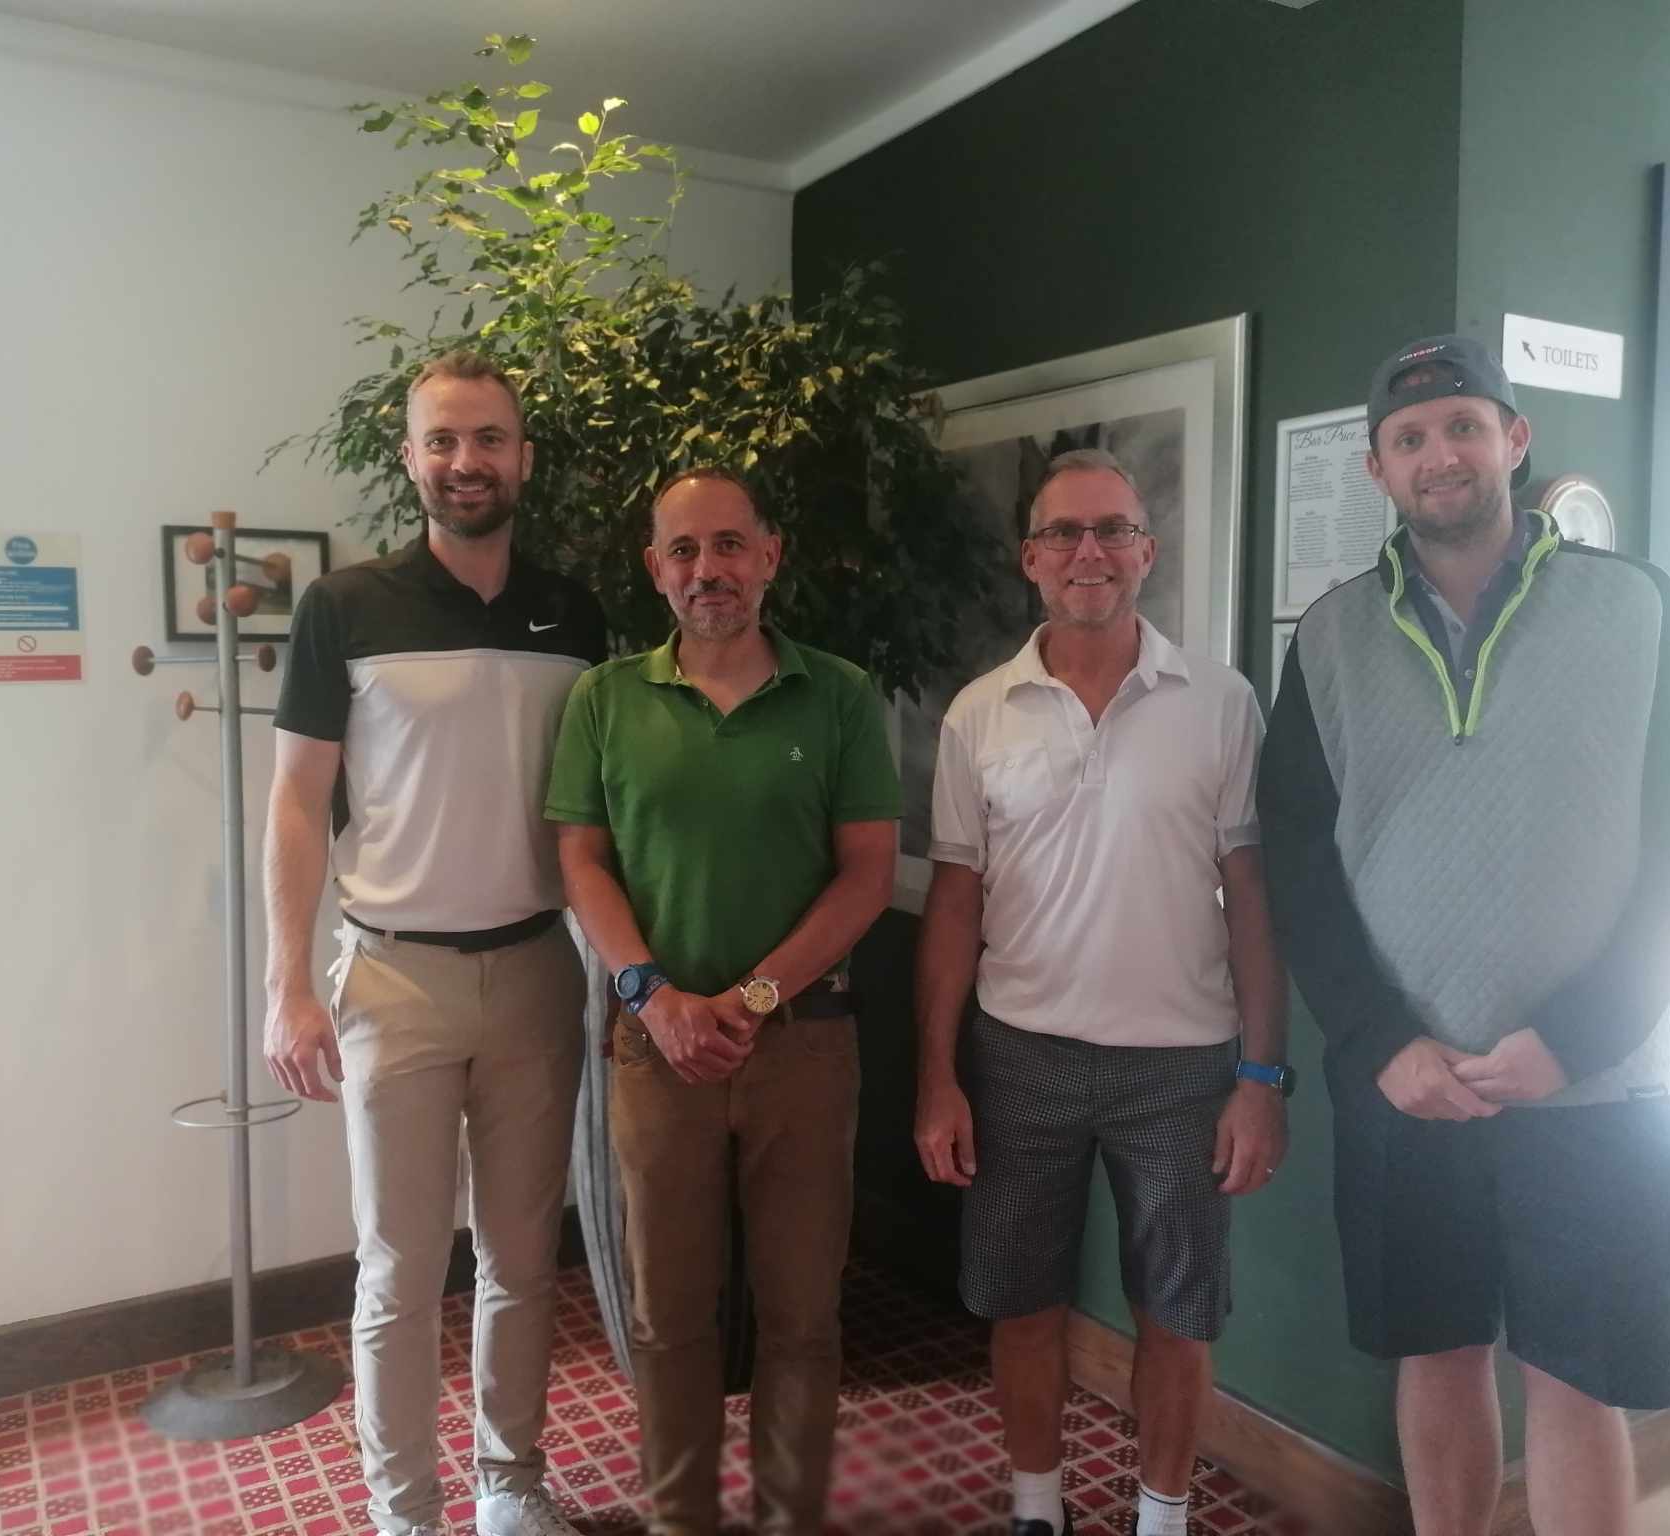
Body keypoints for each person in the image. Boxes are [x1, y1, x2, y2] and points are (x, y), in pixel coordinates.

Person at [1258, 336, 1670, 1536]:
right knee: (1434, 1357)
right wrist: (1378, 1040)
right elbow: (1297, 866)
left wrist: (1576, 1037)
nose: (1441, 455)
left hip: (1598, 1091)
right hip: (1403, 1088)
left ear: (1512, 442)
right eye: (1410, 437)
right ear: (1376, 467)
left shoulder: (1639, 609)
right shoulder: (1324, 638)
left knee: (1575, 1389)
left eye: (1464, 426)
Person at [913, 449, 1291, 1536]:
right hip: (1020, 1055)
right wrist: (937, 1078)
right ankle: (1039, 1509)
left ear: (1145, 551)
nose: (1091, 552)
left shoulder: (1218, 703)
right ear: (1030, 558)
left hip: (1181, 1066)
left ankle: (1159, 1519)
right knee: (1020, 1302)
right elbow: (951, 907)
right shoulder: (977, 715)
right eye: (1066, 533)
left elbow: (1252, 898)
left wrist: (1260, 1078)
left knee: (1175, 1313)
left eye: (1112, 530)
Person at [262, 350, 606, 1536]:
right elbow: (297, 803)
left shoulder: (579, 613)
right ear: (408, 457)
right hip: (391, 977)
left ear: (523, 456)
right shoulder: (344, 609)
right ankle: (405, 1512)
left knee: (520, 1262)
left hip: (533, 975)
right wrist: (287, 987)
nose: (467, 462)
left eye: (490, 440)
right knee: (399, 1273)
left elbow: (598, 805)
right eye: (443, 441)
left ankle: (508, 1489)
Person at [545, 466, 900, 1536]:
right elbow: (581, 860)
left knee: (801, 1319)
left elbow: (867, 875)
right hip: (654, 1051)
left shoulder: (836, 694)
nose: (710, 571)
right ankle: (678, 1521)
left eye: (730, 546)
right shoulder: (603, 698)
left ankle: (792, 1519)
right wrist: (652, 995)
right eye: (686, 552)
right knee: (666, 1320)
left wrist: (749, 996)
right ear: (656, 569)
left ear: (769, 555)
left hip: (802, 1050)